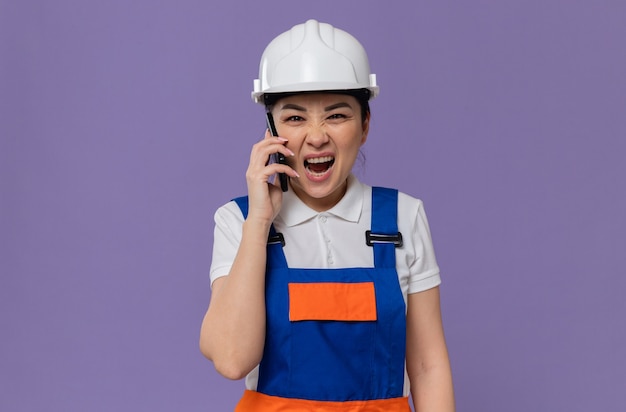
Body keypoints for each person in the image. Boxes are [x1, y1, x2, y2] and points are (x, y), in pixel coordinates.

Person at [200, 19, 455, 411]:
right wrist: (259, 224)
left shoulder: (404, 216)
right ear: (270, 129)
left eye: (336, 115)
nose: (316, 136)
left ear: (365, 124)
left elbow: (427, 366)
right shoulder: (238, 220)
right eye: (295, 117)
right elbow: (232, 358)